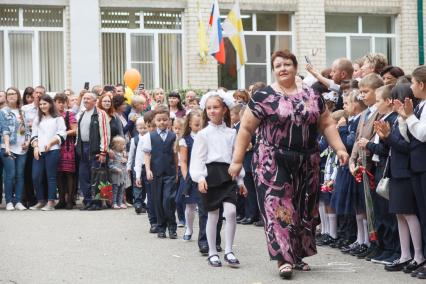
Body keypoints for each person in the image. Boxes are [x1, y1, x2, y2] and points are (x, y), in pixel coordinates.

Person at [229, 50, 348, 279]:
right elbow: (245, 129)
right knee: (278, 206)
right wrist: (236, 161)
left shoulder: (313, 95)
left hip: (307, 159)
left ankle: (298, 254)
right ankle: (283, 258)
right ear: (273, 70)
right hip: (272, 159)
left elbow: (326, 123)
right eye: (278, 66)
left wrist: (340, 148)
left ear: (295, 67)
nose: (283, 68)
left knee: (303, 209)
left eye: (287, 64)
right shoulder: (263, 96)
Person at [190, 90, 247, 268]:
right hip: (210, 174)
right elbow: (198, 158)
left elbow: (235, 157)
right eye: (209, 108)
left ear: (224, 109)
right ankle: (213, 252)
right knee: (213, 215)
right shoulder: (203, 134)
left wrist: (240, 181)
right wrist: (200, 177)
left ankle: (229, 250)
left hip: (228, 173)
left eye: (216, 107)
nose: (212, 111)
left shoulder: (231, 133)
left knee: (230, 212)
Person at [375, 84, 425, 273]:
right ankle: (405, 255)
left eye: (397, 100)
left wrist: (388, 137)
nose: (395, 103)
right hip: (396, 170)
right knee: (400, 215)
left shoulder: (406, 118)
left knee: (409, 214)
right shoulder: (397, 119)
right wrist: (386, 137)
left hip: (405, 171)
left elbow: (407, 147)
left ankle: (418, 255)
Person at [358, 84, 399, 264]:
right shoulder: (384, 117)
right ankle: (383, 247)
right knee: (381, 211)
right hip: (378, 166)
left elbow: (385, 148)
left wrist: (368, 144)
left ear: (389, 101)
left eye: (379, 101)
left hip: (386, 167)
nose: (376, 105)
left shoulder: (392, 119)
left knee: (388, 213)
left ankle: (392, 249)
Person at [346, 73, 384, 259]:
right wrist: (352, 161)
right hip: (360, 165)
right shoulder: (364, 114)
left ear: (377, 91)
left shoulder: (380, 111)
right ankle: (370, 242)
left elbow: (368, 139)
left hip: (372, 166)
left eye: (365, 92)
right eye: (360, 92)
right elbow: (357, 139)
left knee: (376, 208)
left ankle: (378, 243)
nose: (362, 96)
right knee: (365, 206)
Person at [394, 65, 426, 279]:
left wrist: (409, 118)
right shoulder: (419, 106)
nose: (411, 87)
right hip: (417, 166)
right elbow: (410, 136)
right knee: (423, 215)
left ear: (422, 85)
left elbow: (423, 134)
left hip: (423, 165)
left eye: (413, 83)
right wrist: (403, 118)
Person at [330, 90, 366, 249]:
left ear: (356, 105)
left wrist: (343, 129)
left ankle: (362, 239)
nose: (344, 107)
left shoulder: (354, 121)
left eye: (347, 103)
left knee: (358, 206)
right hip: (347, 167)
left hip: (354, 167)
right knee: (352, 206)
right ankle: (357, 238)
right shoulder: (351, 120)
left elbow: (348, 143)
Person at [143, 106, 178, 239]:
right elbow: (147, 155)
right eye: (159, 120)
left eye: (165, 120)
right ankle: (161, 227)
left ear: (169, 120)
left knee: (168, 200)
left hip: (169, 173)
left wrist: (176, 171)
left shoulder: (173, 136)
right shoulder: (149, 136)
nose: (162, 122)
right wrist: (148, 170)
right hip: (156, 173)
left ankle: (172, 227)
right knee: (157, 201)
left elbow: (175, 156)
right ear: (154, 121)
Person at [29, 95, 67, 211]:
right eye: (40, 104)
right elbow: (34, 134)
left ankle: (51, 202)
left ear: (50, 104)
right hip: (39, 151)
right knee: (36, 176)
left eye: (44, 104)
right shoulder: (38, 119)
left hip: (53, 150)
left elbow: (62, 133)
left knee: (51, 177)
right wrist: (35, 147)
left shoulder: (58, 118)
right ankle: (41, 200)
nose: (42, 106)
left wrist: (51, 142)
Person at [76, 92, 111, 211]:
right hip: (83, 148)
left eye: (88, 98)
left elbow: (105, 134)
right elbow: (78, 133)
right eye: (84, 98)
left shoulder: (101, 114)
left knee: (97, 176)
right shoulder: (82, 114)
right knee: (83, 175)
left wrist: (103, 152)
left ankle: (97, 202)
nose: (85, 100)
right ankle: (88, 201)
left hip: (95, 149)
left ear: (95, 101)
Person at [0, 87, 31, 211]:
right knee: (10, 175)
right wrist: (7, 147)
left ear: (18, 96)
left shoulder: (22, 112)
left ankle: (18, 201)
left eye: (14, 94)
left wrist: (28, 142)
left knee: (20, 175)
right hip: (8, 147)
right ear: (6, 97)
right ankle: (9, 201)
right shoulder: (3, 112)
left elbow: (27, 130)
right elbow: (4, 130)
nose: (11, 96)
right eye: (9, 94)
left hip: (22, 148)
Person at [178, 110, 203, 241]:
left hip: (204, 174)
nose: (199, 127)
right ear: (190, 125)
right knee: (190, 205)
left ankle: (204, 233)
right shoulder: (185, 140)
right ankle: (189, 228)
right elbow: (183, 161)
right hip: (190, 176)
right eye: (197, 125)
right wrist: (186, 177)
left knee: (204, 205)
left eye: (202, 124)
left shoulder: (206, 136)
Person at [54, 93, 77, 210]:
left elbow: (75, 130)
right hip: (55, 147)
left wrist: (62, 134)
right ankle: (61, 200)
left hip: (68, 147)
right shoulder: (52, 115)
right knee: (58, 174)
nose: (61, 104)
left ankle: (70, 200)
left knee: (68, 173)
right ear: (55, 103)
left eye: (63, 102)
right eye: (59, 102)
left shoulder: (70, 114)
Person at [135, 111, 158, 233]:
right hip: (147, 169)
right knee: (151, 197)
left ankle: (161, 220)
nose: (152, 128)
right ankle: (153, 221)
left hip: (160, 168)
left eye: (154, 125)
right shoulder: (144, 138)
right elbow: (139, 158)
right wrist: (138, 175)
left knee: (160, 197)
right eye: (149, 126)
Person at [22, 85, 44, 208]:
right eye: (37, 92)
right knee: (28, 171)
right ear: (33, 94)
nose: (38, 95)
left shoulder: (46, 107)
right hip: (29, 143)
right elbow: (22, 125)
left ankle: (43, 197)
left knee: (41, 172)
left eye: (41, 93)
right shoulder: (25, 108)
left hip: (43, 143)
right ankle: (30, 198)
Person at [128, 117, 148, 214]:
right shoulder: (134, 140)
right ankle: (138, 204)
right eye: (141, 128)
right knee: (137, 185)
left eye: (145, 128)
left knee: (145, 186)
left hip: (147, 166)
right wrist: (128, 167)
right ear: (136, 128)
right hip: (136, 166)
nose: (143, 130)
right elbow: (131, 154)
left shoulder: (149, 138)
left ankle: (144, 203)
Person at [173, 117, 186, 227]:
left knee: (180, 196)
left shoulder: (185, 140)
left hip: (183, 170)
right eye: (175, 128)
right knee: (176, 196)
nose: (177, 131)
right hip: (175, 170)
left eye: (180, 128)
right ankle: (181, 218)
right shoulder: (172, 140)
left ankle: (184, 218)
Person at [109, 136, 128, 209]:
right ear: (117, 145)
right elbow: (110, 165)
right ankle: (114, 203)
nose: (124, 146)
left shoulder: (123, 153)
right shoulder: (112, 154)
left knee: (121, 190)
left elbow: (125, 163)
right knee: (115, 190)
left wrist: (125, 160)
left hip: (122, 176)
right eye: (123, 144)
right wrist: (116, 169)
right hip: (115, 176)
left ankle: (120, 203)